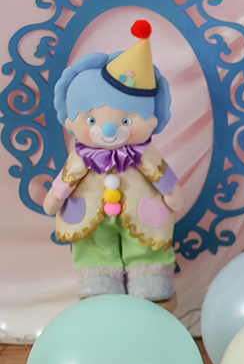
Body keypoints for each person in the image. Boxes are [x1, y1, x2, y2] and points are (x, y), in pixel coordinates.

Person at [41, 20, 183, 301]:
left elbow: (160, 173)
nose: (108, 130)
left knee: (144, 239)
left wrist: (172, 193)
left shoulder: (144, 154)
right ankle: (99, 275)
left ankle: (147, 273)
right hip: (90, 213)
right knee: (93, 240)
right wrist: (55, 197)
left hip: (140, 212)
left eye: (126, 120)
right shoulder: (81, 157)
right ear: (71, 120)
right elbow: (67, 178)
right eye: (91, 120)